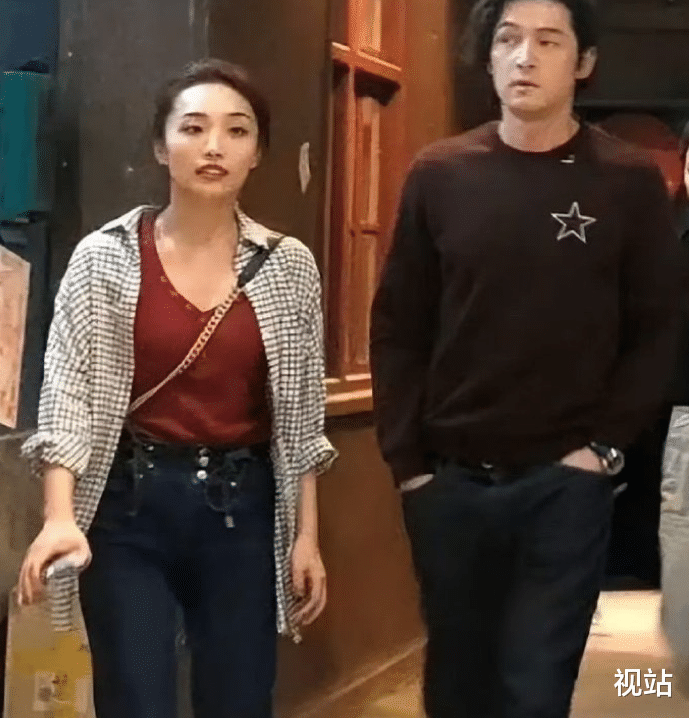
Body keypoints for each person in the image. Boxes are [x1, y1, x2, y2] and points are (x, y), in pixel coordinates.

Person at [370, 1, 681, 717]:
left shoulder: (627, 181)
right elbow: (398, 327)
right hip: (450, 482)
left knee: (535, 687)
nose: (524, 56)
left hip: (563, 485)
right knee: (458, 688)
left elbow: (656, 330)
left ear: (583, 62)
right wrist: (410, 465)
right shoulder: (441, 173)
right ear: (487, 58)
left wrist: (602, 449)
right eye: (507, 40)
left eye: (548, 41)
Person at [17, 59, 336, 718]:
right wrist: (59, 516)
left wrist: (305, 536)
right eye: (192, 128)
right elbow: (68, 391)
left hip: (241, 509)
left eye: (236, 131)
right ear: (162, 147)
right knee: (135, 698)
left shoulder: (287, 267)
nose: (214, 146)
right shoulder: (104, 257)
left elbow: (302, 416)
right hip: (129, 507)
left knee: (239, 699)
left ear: (257, 153)